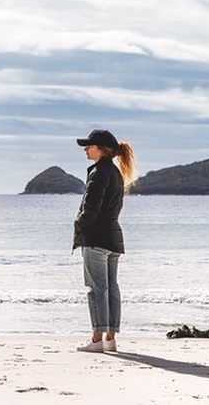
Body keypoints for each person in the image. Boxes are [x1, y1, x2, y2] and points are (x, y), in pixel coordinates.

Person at [73, 129, 136, 353]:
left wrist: (79, 224)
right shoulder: (116, 173)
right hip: (113, 236)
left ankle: (97, 339)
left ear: (101, 149)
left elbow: (90, 208)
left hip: (96, 238)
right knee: (111, 288)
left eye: (89, 146)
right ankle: (110, 339)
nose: (85, 149)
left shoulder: (99, 172)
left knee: (96, 289)